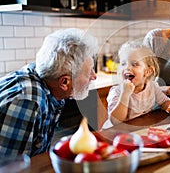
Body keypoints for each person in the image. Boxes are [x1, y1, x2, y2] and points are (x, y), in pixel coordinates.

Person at [0, 28, 99, 157]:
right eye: (89, 72)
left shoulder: (48, 81)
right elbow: (11, 167)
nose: (94, 76)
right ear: (64, 82)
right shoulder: (27, 102)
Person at [102, 41, 170, 129]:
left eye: (134, 64)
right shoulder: (117, 91)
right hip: (114, 133)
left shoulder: (152, 87)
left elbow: (164, 101)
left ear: (148, 71)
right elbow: (116, 121)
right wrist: (125, 94)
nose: (127, 67)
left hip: (137, 129)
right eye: (123, 63)